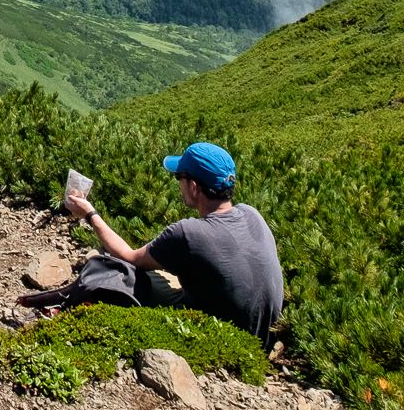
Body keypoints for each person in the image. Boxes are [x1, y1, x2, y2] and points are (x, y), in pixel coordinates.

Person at [60, 141, 284, 343]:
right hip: (261, 341)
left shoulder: (189, 232)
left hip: (217, 337)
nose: (178, 184)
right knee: (166, 275)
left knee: (115, 266)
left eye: (180, 178)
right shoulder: (252, 214)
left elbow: (128, 255)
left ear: (194, 187)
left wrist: (90, 214)